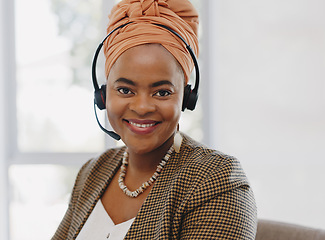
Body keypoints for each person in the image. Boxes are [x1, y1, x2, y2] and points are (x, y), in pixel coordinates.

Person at [52, 0, 257, 239]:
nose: (141, 107)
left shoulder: (216, 181)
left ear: (186, 98)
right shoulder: (93, 172)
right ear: (103, 94)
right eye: (125, 90)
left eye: (162, 92)